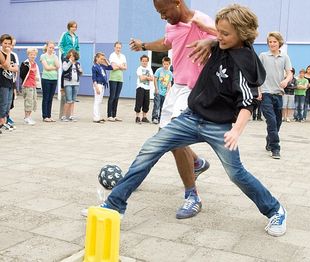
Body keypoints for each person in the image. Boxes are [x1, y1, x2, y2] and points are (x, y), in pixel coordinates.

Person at [91, 4, 287, 237]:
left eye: (224, 34)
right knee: (150, 149)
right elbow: (205, 31)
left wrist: (236, 131)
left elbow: (248, 102)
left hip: (220, 127)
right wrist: (213, 41)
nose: (218, 36)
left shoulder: (244, 63)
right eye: (219, 32)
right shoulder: (222, 44)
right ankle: (114, 206)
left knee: (236, 174)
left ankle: (275, 209)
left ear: (241, 34)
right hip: (191, 117)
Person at [128, 0, 214, 219]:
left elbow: (227, 38)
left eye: (163, 11)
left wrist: (210, 43)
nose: (162, 16)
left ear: (177, 3)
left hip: (195, 90)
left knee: (176, 139)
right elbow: (167, 43)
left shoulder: (199, 20)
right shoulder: (171, 26)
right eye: (159, 13)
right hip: (176, 88)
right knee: (165, 137)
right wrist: (144, 45)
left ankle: (193, 196)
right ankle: (196, 162)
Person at [259, 32, 293, 159]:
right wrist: (258, 91)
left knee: (278, 122)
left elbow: (290, 73)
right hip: (266, 93)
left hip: (278, 93)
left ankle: (270, 139)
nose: (272, 44)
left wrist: (286, 80)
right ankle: (275, 148)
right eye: (270, 42)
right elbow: (257, 74)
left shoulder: (284, 57)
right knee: (272, 121)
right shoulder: (263, 56)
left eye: (274, 41)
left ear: (279, 43)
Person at [0, 34, 18, 133]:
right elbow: (6, 64)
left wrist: (7, 67)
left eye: (9, 44)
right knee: (2, 104)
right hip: (2, 83)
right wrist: (7, 53)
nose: (7, 45)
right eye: (5, 43)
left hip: (10, 82)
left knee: (8, 105)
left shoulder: (12, 55)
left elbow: (16, 69)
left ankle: (5, 122)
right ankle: (1, 123)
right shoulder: (1, 53)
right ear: (1, 43)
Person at [92, 52, 115, 123]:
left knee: (99, 101)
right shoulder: (95, 67)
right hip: (98, 85)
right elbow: (94, 78)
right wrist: (96, 87)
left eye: (103, 59)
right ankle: (95, 117)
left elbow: (111, 67)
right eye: (101, 59)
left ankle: (98, 116)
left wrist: (106, 60)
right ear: (97, 58)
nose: (102, 60)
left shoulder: (102, 66)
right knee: (97, 101)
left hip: (102, 85)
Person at [20, 48, 41, 125]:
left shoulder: (35, 64)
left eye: (34, 54)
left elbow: (36, 74)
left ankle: (28, 116)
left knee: (33, 101)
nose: (33, 56)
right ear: (28, 55)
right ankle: (26, 117)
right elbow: (22, 75)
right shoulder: (25, 63)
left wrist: (37, 80)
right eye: (31, 54)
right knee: (28, 101)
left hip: (33, 84)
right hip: (27, 85)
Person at [40, 41, 60, 122]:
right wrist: (53, 67)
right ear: (47, 47)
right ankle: (45, 116)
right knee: (46, 97)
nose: (51, 49)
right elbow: (46, 67)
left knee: (50, 98)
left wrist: (52, 66)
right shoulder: (43, 56)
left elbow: (58, 66)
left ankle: (49, 115)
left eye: (53, 48)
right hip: (46, 78)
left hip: (54, 79)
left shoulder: (55, 56)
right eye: (50, 47)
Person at [108, 41, 127, 122]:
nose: (118, 49)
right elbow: (113, 67)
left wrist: (118, 65)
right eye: (117, 47)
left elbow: (125, 67)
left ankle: (114, 115)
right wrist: (121, 66)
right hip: (113, 78)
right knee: (112, 97)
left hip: (120, 79)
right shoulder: (112, 55)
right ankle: (109, 115)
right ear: (114, 47)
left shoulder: (123, 56)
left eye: (119, 47)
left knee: (117, 97)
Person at [61, 49, 82, 122]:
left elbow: (80, 72)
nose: (72, 57)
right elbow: (65, 69)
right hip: (68, 83)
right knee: (68, 100)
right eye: (70, 55)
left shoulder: (77, 63)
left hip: (76, 83)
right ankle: (63, 116)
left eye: (73, 55)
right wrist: (70, 61)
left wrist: (81, 71)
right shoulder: (65, 61)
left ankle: (71, 116)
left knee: (73, 100)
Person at [152, 56, 173, 124]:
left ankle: (161, 118)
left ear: (169, 64)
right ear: (162, 63)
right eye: (164, 64)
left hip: (164, 93)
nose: (165, 65)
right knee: (156, 105)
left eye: (167, 64)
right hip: (158, 92)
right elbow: (155, 79)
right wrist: (156, 89)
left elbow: (169, 83)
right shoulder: (159, 70)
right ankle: (155, 118)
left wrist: (168, 92)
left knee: (163, 106)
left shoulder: (170, 73)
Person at [134, 55, 153, 124]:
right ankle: (137, 117)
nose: (144, 62)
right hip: (140, 87)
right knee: (139, 102)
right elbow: (141, 78)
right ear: (141, 61)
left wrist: (146, 77)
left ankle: (144, 117)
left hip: (147, 88)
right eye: (143, 61)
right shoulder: (139, 69)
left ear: (147, 61)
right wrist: (148, 77)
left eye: (146, 61)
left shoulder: (149, 69)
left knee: (146, 103)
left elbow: (152, 78)